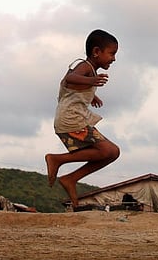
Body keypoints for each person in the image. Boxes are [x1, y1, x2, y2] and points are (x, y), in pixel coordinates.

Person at [44, 29, 121, 208]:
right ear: (96, 52)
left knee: (111, 153)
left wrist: (91, 95)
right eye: (112, 53)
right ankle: (57, 160)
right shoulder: (85, 66)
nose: (114, 58)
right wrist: (91, 82)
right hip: (71, 119)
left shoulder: (89, 70)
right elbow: (70, 78)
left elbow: (69, 86)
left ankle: (71, 179)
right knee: (110, 151)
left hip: (73, 118)